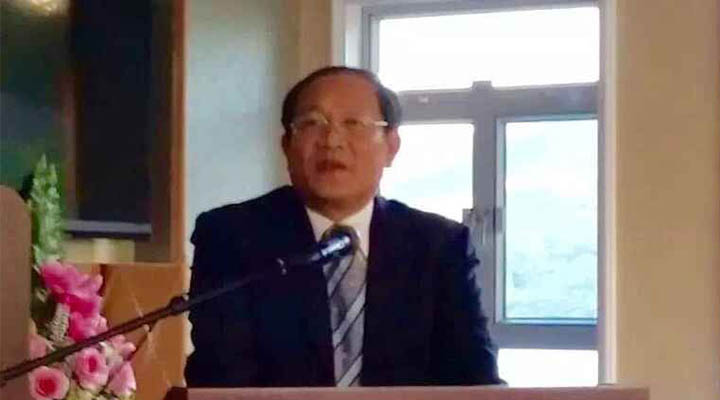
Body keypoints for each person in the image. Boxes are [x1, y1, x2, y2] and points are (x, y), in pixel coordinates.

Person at [185, 66, 502, 387]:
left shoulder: (439, 245)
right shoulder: (231, 237)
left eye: (353, 123)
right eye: (311, 123)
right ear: (286, 146)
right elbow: (221, 378)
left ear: (391, 146)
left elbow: (475, 378)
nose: (331, 140)